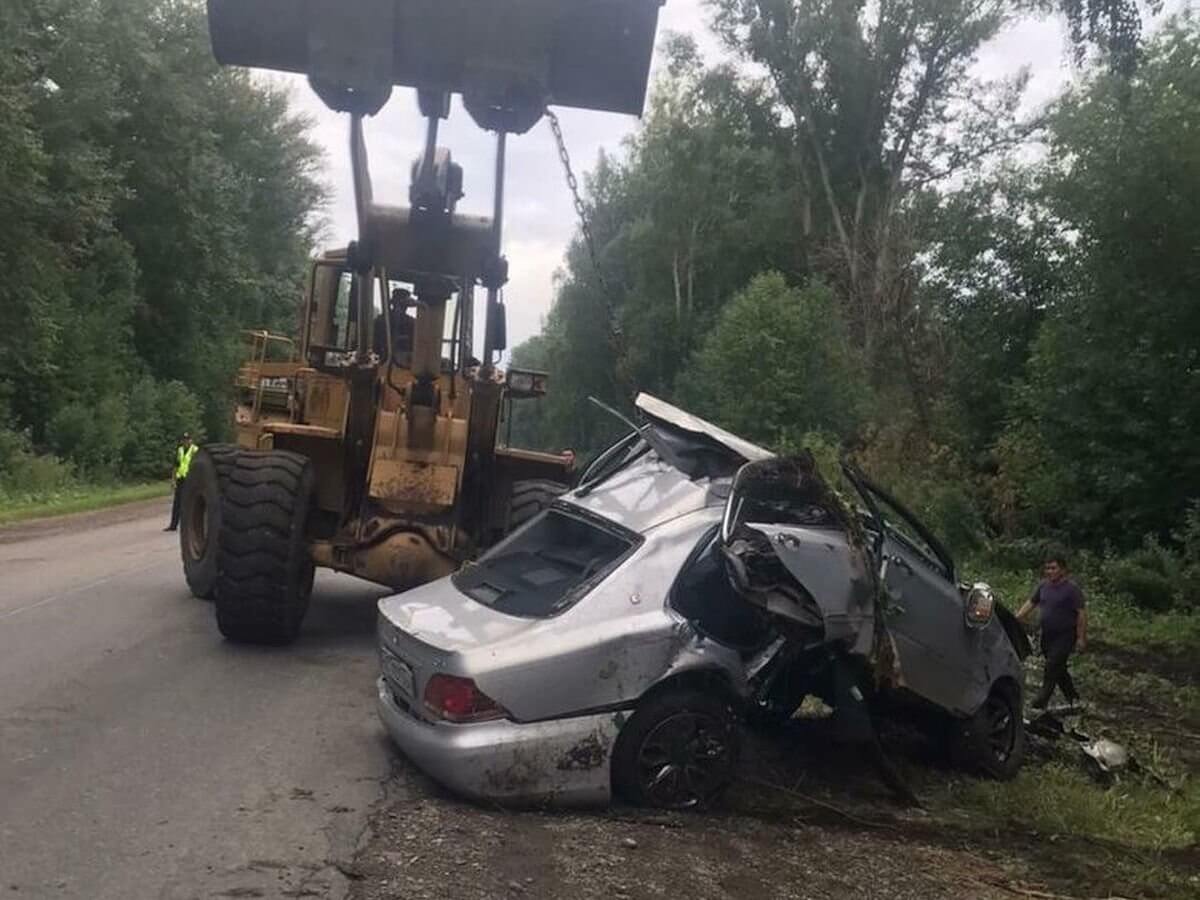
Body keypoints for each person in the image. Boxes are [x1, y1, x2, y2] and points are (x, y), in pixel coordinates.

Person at [1016, 551, 1088, 710]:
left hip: (1065, 635)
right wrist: (1016, 618)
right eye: (1047, 568)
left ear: (1063, 570)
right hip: (1047, 635)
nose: (1050, 571)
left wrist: (1081, 638)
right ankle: (1073, 697)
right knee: (1058, 668)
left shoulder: (1072, 589)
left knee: (1052, 666)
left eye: (1053, 568)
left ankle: (1040, 702)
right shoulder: (1043, 586)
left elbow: (1081, 615)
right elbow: (1031, 603)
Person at [165, 433, 198, 532]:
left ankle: (190, 526)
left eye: (187, 439)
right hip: (181, 479)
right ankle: (173, 525)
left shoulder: (195, 450)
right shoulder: (180, 451)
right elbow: (176, 466)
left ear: (191, 440)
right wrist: (173, 480)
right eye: (184, 440)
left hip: (191, 479)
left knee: (189, 503)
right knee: (177, 503)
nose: (185, 441)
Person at [373, 288, 416, 360]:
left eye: (404, 303)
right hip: (382, 359)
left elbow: (416, 345)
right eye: (399, 302)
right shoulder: (382, 320)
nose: (402, 306)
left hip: (404, 362)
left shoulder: (412, 323)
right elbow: (375, 342)